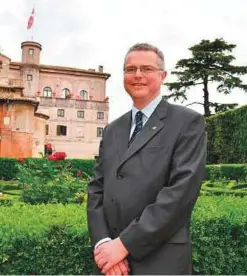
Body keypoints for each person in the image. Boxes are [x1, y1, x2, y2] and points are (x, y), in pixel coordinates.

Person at [87, 42, 207, 275]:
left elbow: (180, 194)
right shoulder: (112, 129)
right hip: (112, 263)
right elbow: (96, 190)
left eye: (147, 69)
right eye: (130, 69)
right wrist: (104, 244)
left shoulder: (187, 122)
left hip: (161, 259)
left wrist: (124, 245)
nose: (138, 75)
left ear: (162, 76)